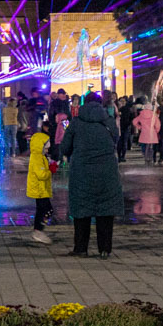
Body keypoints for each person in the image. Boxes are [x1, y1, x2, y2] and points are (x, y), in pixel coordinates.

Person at [62, 92, 122, 259]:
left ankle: (81, 248)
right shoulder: (108, 121)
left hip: (82, 172)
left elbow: (65, 148)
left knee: (82, 210)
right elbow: (116, 141)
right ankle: (105, 249)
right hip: (107, 172)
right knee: (105, 210)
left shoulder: (76, 123)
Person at [27, 119, 54, 244]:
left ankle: (38, 230)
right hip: (39, 189)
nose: (48, 149)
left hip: (41, 188)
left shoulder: (40, 156)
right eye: (46, 147)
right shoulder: (37, 157)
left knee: (42, 210)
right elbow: (41, 174)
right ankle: (38, 231)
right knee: (46, 210)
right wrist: (50, 171)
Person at [134, 97, 160, 164]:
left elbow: (134, 121)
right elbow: (158, 124)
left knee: (145, 145)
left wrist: (139, 127)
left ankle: (146, 158)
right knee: (150, 146)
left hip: (144, 132)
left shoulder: (141, 114)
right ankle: (150, 158)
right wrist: (156, 130)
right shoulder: (154, 115)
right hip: (152, 132)